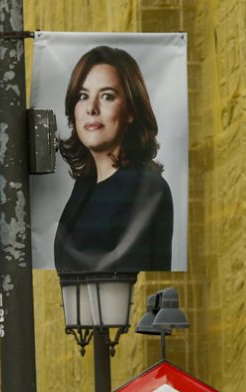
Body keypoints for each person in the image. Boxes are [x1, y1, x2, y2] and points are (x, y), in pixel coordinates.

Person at [53, 45, 174, 273]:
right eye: (83, 96)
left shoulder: (147, 188)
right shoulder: (84, 187)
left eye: (107, 96)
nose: (92, 108)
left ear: (130, 111)